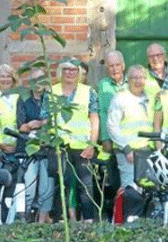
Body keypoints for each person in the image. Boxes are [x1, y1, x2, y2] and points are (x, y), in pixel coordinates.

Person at [51, 58, 100, 222]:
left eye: (74, 70)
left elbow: (94, 118)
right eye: (67, 69)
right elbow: (46, 117)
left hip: (82, 146)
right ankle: (61, 220)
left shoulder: (89, 91)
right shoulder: (52, 91)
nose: (70, 73)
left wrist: (92, 144)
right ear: (61, 71)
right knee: (61, 184)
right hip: (60, 146)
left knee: (86, 185)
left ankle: (88, 221)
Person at [107, 65, 154, 189]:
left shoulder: (149, 97)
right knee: (130, 189)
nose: (138, 81)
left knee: (146, 189)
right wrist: (127, 149)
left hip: (146, 150)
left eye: (141, 77)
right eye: (134, 78)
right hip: (127, 152)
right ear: (128, 79)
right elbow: (112, 126)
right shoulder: (120, 98)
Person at [16, 67, 54, 223]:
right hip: (28, 149)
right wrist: (37, 125)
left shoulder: (51, 99)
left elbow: (54, 122)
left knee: (47, 189)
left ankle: (42, 221)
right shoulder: (23, 99)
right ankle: (24, 220)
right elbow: (21, 126)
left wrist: (39, 123)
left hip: (47, 148)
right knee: (29, 188)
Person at [97, 51, 127, 162]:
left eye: (117, 65)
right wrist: (105, 138)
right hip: (111, 136)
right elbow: (103, 112)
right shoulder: (103, 85)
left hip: (130, 135)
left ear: (123, 66)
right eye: (111, 66)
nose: (115, 69)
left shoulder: (132, 82)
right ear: (107, 68)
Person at [0, 64, 20, 154]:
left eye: (8, 76)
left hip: (18, 147)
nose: (5, 79)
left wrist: (19, 144)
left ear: (13, 79)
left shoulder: (18, 97)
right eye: (2, 77)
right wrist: (0, 144)